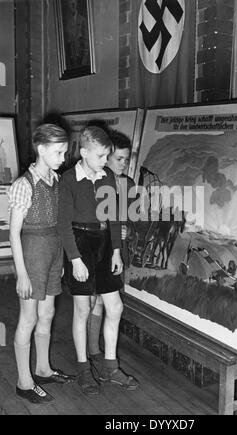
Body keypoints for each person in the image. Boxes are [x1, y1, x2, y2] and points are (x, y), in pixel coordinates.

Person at [58, 126, 138, 397]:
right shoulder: (68, 180)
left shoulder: (106, 179)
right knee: (82, 309)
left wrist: (116, 251)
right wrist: (75, 260)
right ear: (84, 153)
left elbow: (114, 218)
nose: (105, 161)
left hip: (104, 244)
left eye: (107, 156)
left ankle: (110, 366)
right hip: (80, 245)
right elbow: (63, 225)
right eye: (102, 156)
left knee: (114, 307)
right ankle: (83, 369)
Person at [8, 123, 75, 405]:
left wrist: (59, 262)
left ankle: (43, 368)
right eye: (58, 152)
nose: (62, 157)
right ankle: (24, 382)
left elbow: (58, 224)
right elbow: (14, 233)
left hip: (53, 251)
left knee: (47, 314)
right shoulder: (24, 184)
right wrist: (22, 274)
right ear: (41, 149)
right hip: (33, 251)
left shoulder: (56, 180)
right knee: (29, 318)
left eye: (64, 152)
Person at [87, 131, 139, 391]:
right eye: (118, 158)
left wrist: (127, 230)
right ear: (106, 157)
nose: (123, 164)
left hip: (116, 252)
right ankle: (94, 353)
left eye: (126, 160)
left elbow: (131, 218)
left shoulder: (128, 185)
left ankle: (100, 358)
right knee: (96, 302)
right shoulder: (96, 182)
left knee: (110, 303)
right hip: (97, 250)